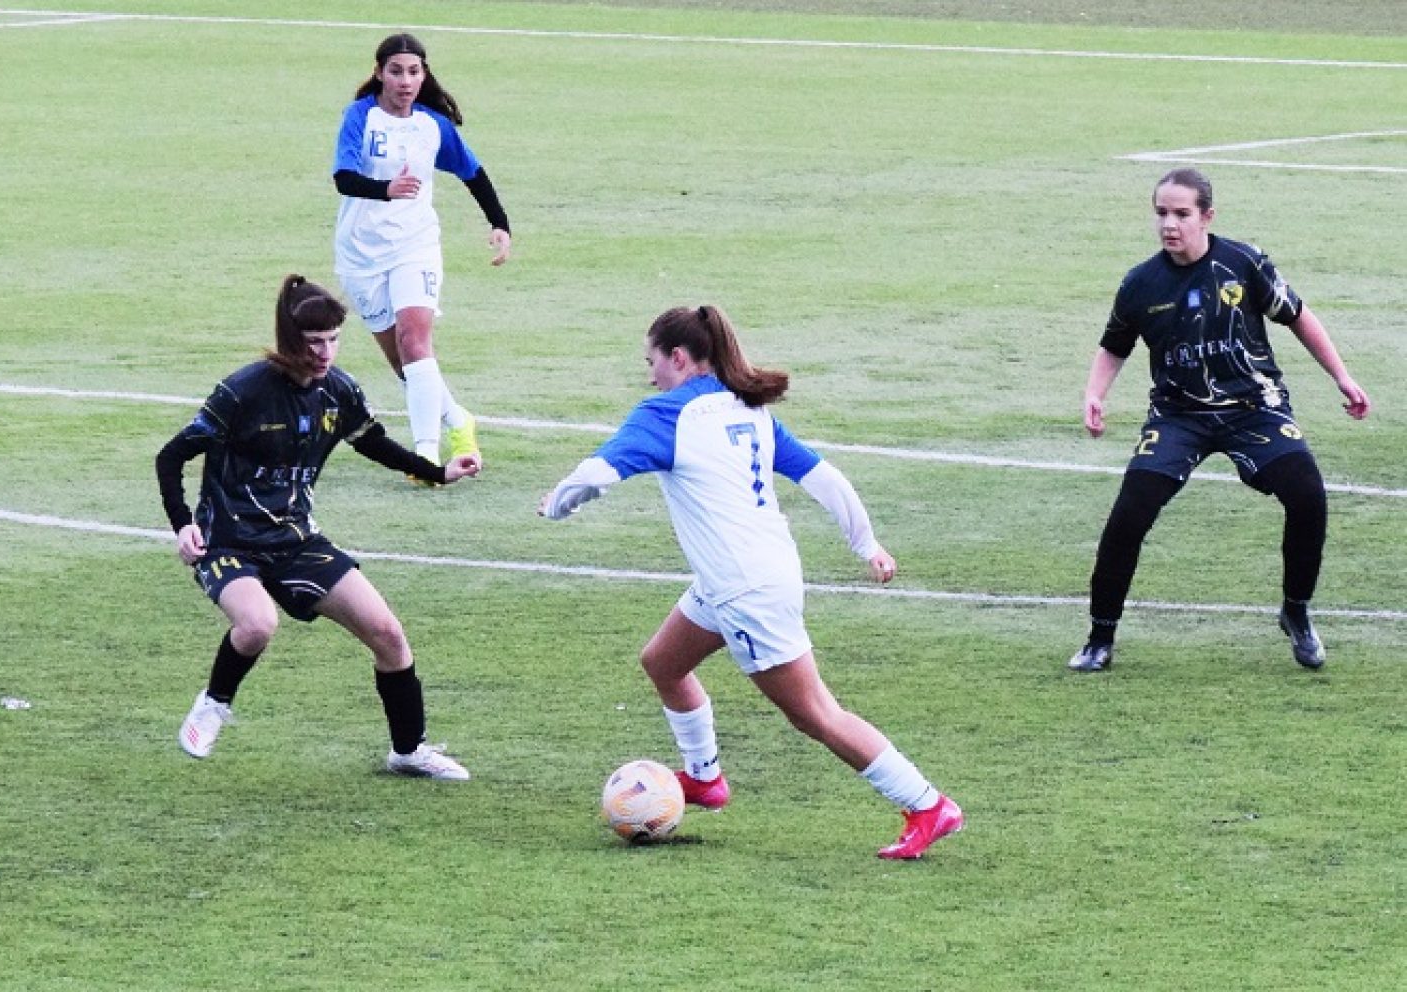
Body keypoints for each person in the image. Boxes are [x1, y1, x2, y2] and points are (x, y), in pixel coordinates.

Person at [539, 305, 962, 860]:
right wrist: (867, 544)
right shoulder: (746, 408)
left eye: (652, 362)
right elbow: (824, 477)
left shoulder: (668, 415)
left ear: (678, 358)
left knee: (815, 714)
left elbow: (598, 473)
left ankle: (927, 804)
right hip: (751, 575)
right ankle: (704, 779)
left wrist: (557, 505)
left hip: (746, 592)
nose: (650, 376)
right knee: (663, 662)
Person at [155, 274, 480, 777]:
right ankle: (214, 703)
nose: (325, 352)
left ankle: (408, 751)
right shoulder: (243, 392)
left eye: (333, 339)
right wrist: (182, 525)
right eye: (314, 342)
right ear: (290, 340)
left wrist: (438, 472)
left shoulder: (338, 391)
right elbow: (171, 456)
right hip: (228, 542)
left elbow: (372, 443)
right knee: (258, 624)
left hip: (296, 540)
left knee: (388, 633)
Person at [1070, 168, 1372, 674]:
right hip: (1178, 415)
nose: (1169, 224)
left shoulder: (1243, 263)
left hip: (1254, 409)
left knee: (1307, 496)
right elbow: (1114, 345)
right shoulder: (1140, 284)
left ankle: (1296, 612)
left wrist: (1341, 376)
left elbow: (1298, 315)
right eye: (1161, 213)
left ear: (1207, 216)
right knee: (1128, 517)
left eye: (1181, 213)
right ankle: (1100, 638)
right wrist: (1094, 394)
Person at [332, 32, 511, 470]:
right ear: (379, 73)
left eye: (413, 72)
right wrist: (386, 189)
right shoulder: (361, 116)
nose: (405, 80)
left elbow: (472, 171)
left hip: (416, 246)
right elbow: (343, 178)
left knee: (415, 341)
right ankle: (458, 419)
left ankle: (426, 456)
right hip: (360, 255)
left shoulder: (432, 126)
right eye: (396, 71)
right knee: (405, 365)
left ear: (424, 75)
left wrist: (500, 224)